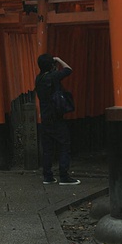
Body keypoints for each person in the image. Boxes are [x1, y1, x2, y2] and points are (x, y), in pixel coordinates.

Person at [34, 53, 81, 185]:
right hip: (56, 116)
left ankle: (47, 176)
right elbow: (68, 69)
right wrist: (59, 59)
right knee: (64, 144)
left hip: (44, 117)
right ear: (51, 65)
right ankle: (64, 176)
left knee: (48, 148)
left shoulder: (38, 79)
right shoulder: (53, 76)